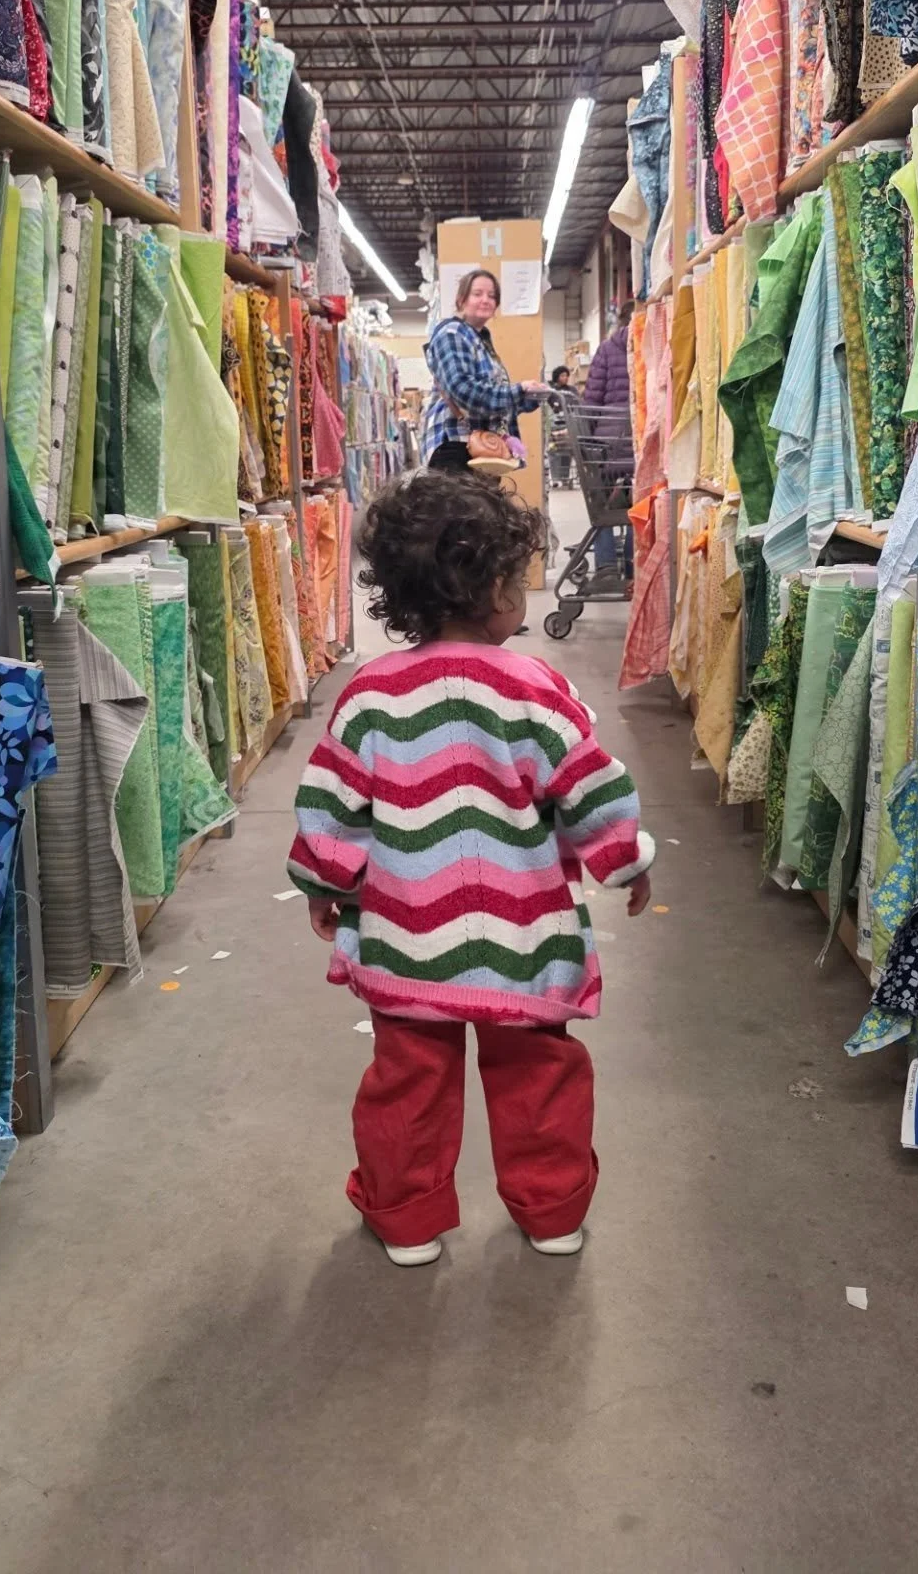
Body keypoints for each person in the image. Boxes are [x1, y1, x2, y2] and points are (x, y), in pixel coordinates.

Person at [286, 471, 655, 1267]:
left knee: (406, 1082)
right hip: (523, 938)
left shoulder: (371, 694)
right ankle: (552, 1212)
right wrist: (624, 862)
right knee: (540, 1079)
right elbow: (589, 788)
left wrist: (324, 882)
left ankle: (408, 1219)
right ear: (493, 589)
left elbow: (331, 803)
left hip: (405, 931)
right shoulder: (538, 691)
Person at [421, 269, 549, 471]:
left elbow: (491, 401)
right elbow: (463, 390)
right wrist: (518, 390)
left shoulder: (480, 340)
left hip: (477, 448)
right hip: (454, 444)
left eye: (492, 296)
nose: (485, 300)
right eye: (477, 294)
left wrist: (529, 397)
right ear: (462, 299)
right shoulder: (452, 333)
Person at [583, 300, 635, 577]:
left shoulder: (606, 349)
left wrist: (587, 443)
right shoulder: (652, 345)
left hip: (607, 446)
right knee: (638, 506)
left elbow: (591, 400)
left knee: (600, 502)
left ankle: (604, 565)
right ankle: (632, 565)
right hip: (639, 445)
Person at [547, 365, 574, 487]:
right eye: (562, 375)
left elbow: (577, 403)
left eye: (567, 375)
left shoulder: (572, 390)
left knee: (567, 451)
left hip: (568, 424)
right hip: (554, 425)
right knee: (554, 450)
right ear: (557, 377)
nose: (566, 378)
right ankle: (556, 477)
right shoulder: (551, 391)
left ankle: (564, 477)